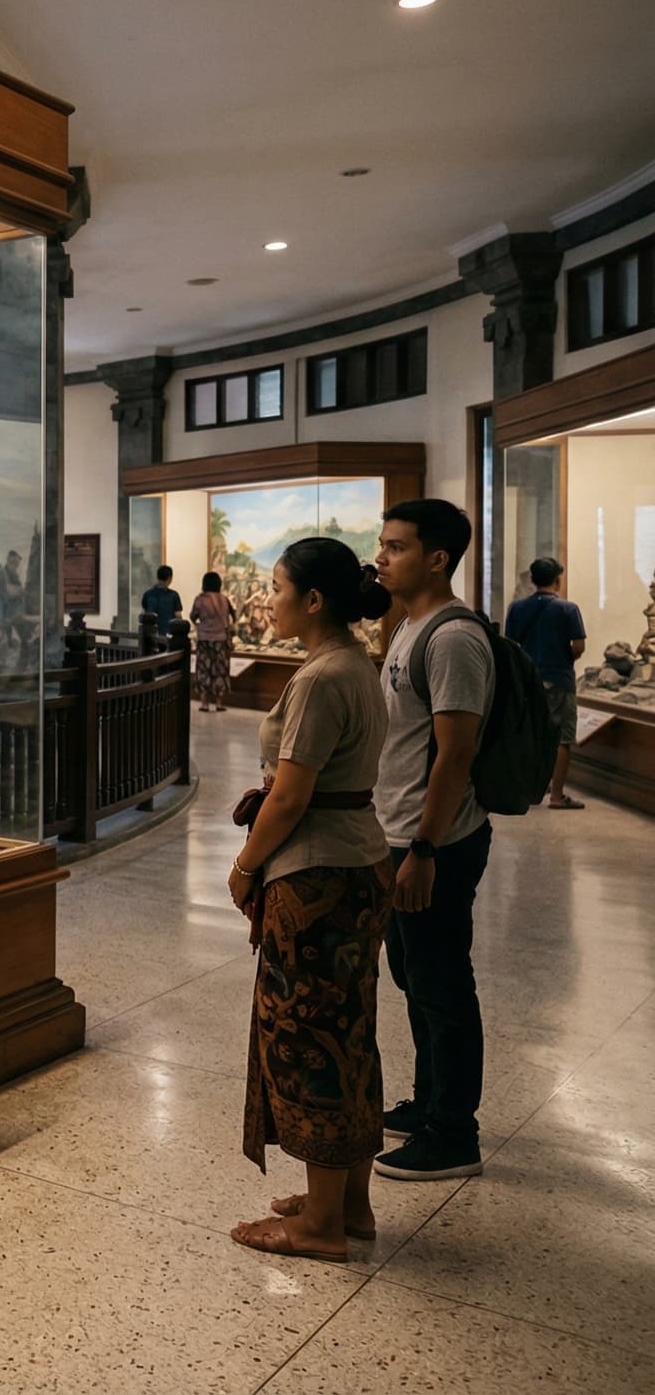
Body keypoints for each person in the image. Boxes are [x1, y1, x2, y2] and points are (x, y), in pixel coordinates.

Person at [224, 538, 393, 1262]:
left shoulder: (324, 677)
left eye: (279, 586)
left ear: (314, 600)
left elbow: (290, 796)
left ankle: (321, 1226)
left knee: (309, 1036)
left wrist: (243, 865)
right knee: (348, 1031)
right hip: (356, 861)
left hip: (318, 873)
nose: (270, 598)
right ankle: (345, 1202)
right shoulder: (353, 666)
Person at [372, 498, 492, 1182]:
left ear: (437, 557)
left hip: (434, 840)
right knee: (413, 974)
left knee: (442, 979)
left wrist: (423, 848)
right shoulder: (410, 624)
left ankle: (455, 1131)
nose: (382, 556)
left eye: (396, 546)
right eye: (383, 544)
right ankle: (429, 1101)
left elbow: (455, 754)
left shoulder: (451, 637)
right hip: (400, 832)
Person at [505, 556, 587, 810]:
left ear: (532, 579)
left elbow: (512, 645)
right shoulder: (567, 609)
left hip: (529, 681)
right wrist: (564, 657)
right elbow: (578, 646)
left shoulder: (517, 609)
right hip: (559, 679)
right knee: (562, 738)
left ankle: (530, 788)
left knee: (531, 734)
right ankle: (557, 795)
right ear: (558, 580)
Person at [191, 569, 234, 712]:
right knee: (220, 669)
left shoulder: (200, 599)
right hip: (221, 639)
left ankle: (204, 703)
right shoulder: (224, 599)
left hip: (204, 639)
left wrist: (200, 624)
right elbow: (232, 616)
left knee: (204, 669)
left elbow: (193, 616)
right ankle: (219, 703)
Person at [141, 564, 181, 629]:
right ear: (169, 578)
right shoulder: (173, 595)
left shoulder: (147, 594)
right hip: (168, 634)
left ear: (157, 577)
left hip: (150, 634)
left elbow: (143, 614)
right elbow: (178, 616)